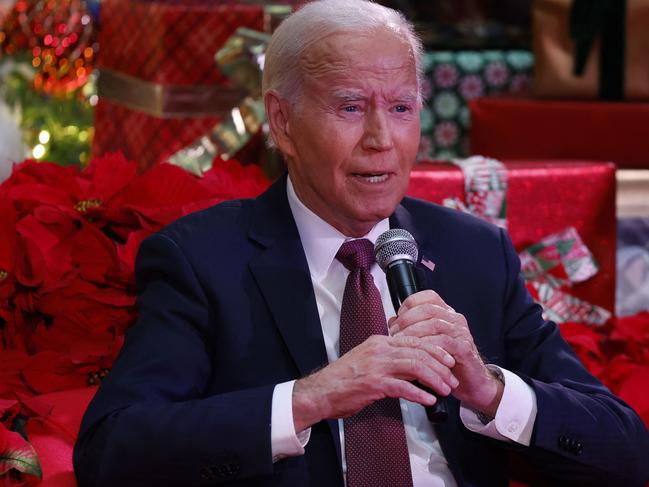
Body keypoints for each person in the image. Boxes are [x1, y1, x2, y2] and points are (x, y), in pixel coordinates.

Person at [73, 1, 649, 486]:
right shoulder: (203, 260)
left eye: (401, 109)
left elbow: (626, 450)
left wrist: (490, 391)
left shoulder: (476, 253)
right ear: (283, 122)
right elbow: (112, 450)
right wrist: (311, 398)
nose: (381, 140)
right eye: (350, 107)